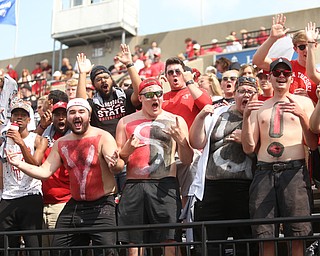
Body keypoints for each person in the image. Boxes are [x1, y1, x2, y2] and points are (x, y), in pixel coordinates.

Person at [6, 98, 125, 256]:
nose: (77, 115)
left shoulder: (103, 137)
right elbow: (44, 172)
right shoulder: (61, 143)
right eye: (72, 112)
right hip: (75, 205)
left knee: (107, 251)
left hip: (102, 205)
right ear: (68, 118)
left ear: (89, 116)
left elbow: (118, 166)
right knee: (59, 248)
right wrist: (18, 164)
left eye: (81, 112)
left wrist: (115, 164)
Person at [241, 58, 318, 256]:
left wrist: (301, 116)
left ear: (292, 78)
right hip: (264, 172)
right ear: (270, 77)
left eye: (286, 73)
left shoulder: (304, 102)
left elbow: (311, 143)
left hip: (294, 172)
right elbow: (249, 148)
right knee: (264, 234)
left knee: (298, 234)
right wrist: (246, 118)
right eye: (277, 73)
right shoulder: (260, 106)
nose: (281, 76)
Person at [116, 78, 194, 256]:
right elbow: (118, 163)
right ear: (141, 98)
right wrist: (126, 152)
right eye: (150, 95)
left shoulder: (176, 120)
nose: (155, 98)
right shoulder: (125, 122)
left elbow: (187, 159)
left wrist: (182, 142)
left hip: (165, 184)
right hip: (134, 185)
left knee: (170, 241)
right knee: (134, 243)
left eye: (159, 94)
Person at [189, 76, 259, 256]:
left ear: (257, 95)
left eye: (251, 92)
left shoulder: (260, 117)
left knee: (246, 243)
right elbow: (196, 142)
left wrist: (245, 138)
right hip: (212, 187)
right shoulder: (218, 114)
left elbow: (260, 152)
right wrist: (200, 116)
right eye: (242, 91)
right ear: (234, 94)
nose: (247, 95)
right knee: (209, 244)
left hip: (245, 189)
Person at [0, 101, 48, 255]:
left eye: (23, 115)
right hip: (8, 196)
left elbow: (36, 164)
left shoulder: (38, 139)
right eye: (16, 115)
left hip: (30, 195)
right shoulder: (3, 142)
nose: (19, 118)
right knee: (7, 248)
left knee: (33, 246)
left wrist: (21, 143)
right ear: (11, 118)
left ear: (29, 120)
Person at [252, 14, 318, 104]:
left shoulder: (316, 76)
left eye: (309, 45)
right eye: (302, 47)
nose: (306, 50)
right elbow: (258, 61)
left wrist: (306, 100)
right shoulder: (285, 65)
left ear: (315, 46)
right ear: (295, 49)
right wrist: (272, 38)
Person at [41, 100, 71, 247]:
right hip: (42, 203)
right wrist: (42, 126)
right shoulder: (45, 137)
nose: (60, 118)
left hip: (63, 202)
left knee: (58, 250)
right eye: (57, 114)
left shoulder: (74, 139)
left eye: (64, 114)